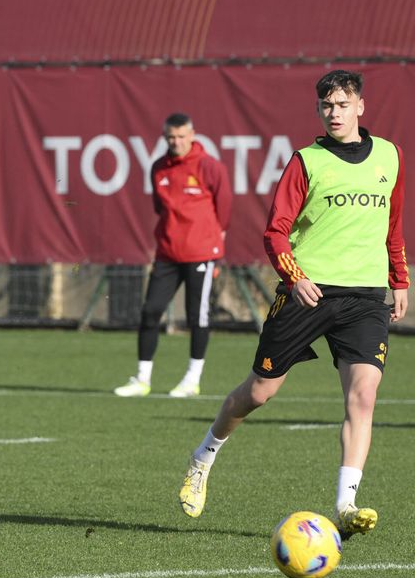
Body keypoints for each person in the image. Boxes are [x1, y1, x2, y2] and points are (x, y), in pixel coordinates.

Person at [178, 70, 407, 539]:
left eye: (343, 104)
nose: (335, 112)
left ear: (361, 105)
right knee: (259, 393)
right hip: (310, 290)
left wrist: (399, 280)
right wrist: (295, 277)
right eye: (327, 105)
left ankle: (346, 505)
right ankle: (204, 456)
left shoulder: (389, 155)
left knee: (363, 396)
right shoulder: (306, 161)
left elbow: (394, 226)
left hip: (365, 296)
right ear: (319, 110)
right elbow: (275, 232)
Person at [114, 113, 232, 398]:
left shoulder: (209, 167)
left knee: (197, 316)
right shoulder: (158, 168)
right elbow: (159, 208)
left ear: (192, 135)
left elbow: (224, 206)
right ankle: (142, 378)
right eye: (170, 137)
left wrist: (215, 238)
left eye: (181, 136)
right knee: (151, 310)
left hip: (201, 252)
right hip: (167, 253)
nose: (175, 142)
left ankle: (192, 379)